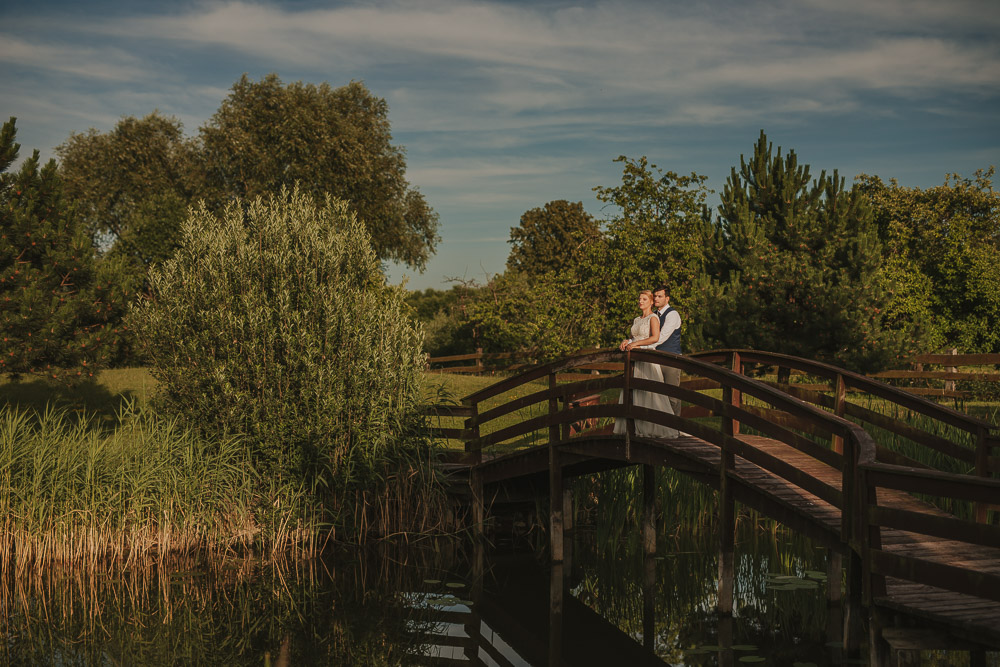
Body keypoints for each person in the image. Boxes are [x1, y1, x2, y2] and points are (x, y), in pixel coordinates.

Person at [614, 290, 678, 438]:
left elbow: (655, 338)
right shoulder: (637, 320)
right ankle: (634, 427)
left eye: (644, 299)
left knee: (650, 393)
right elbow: (633, 337)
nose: (640, 301)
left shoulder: (653, 318)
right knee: (635, 392)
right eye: (639, 299)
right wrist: (627, 341)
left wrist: (636, 344)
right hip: (635, 361)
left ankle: (653, 427)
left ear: (650, 301)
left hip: (647, 359)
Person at [653, 285, 682, 417]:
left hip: (671, 359)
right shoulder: (653, 315)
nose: (656, 299)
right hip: (654, 359)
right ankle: (661, 428)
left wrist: (641, 346)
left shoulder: (673, 314)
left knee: (672, 396)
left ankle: (675, 427)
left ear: (667, 298)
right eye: (655, 296)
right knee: (656, 396)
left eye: (660, 296)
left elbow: (662, 337)